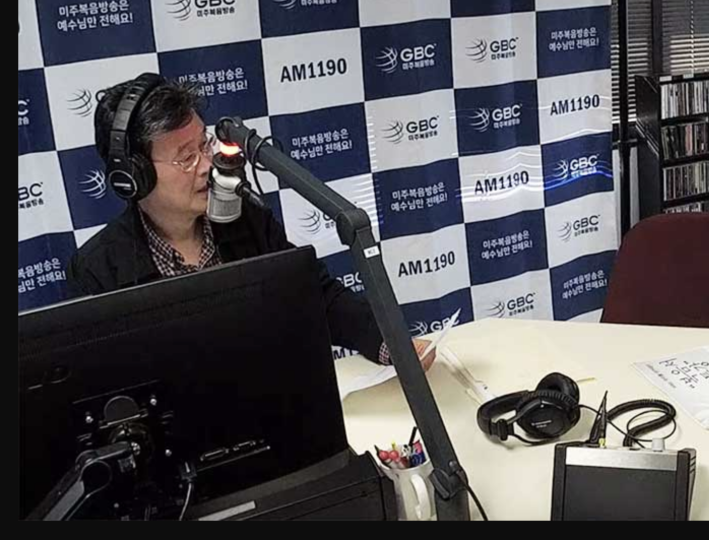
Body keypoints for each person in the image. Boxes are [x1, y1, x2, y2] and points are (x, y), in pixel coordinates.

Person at [69, 74, 435, 372]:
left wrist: (391, 345)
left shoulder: (246, 220)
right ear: (134, 177)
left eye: (204, 145)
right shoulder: (98, 271)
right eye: (185, 157)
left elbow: (317, 297)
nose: (207, 165)